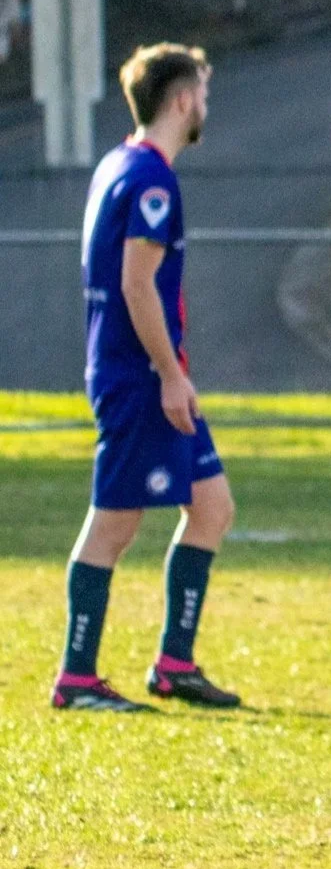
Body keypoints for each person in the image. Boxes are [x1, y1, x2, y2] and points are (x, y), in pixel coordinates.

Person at [51, 43, 239, 712]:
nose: (205, 107)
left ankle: (174, 664)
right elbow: (137, 285)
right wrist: (168, 374)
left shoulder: (118, 163)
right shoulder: (153, 180)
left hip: (149, 374)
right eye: (204, 94)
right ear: (182, 99)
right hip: (140, 378)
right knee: (115, 525)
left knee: (212, 507)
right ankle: (76, 678)